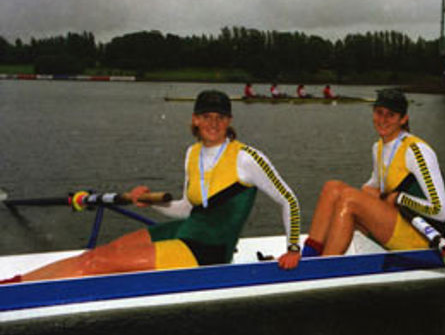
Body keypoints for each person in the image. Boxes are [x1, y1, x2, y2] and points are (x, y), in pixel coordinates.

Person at [2, 90, 301, 284]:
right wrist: (150, 201)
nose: (213, 123)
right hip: (186, 230)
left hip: (208, 251)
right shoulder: (193, 153)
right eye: (206, 116)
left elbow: (289, 200)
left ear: (229, 121)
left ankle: (14, 292)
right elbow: (186, 208)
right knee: (104, 251)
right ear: (195, 120)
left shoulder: (247, 158)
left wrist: (292, 248)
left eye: (220, 117)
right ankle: (15, 283)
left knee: (97, 262)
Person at [301, 87, 445, 257]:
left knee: (349, 199)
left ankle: (326, 265)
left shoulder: (416, 151)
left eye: (391, 115)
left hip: (424, 236)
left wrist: (400, 198)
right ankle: (308, 257)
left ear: (403, 119)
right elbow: (371, 187)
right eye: (379, 112)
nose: (383, 120)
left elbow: (441, 211)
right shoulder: (378, 147)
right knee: (332, 188)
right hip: (396, 222)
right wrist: (372, 195)